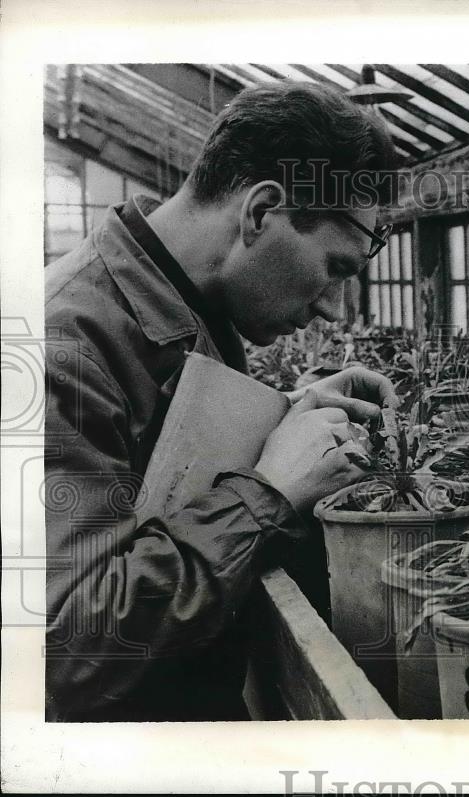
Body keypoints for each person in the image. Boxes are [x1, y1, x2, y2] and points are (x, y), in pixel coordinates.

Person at [44, 81, 398, 721]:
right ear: (261, 212)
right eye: (336, 269)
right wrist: (268, 495)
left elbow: (153, 461)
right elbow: (67, 651)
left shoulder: (180, 296)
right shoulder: (65, 346)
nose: (332, 307)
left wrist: (285, 411)